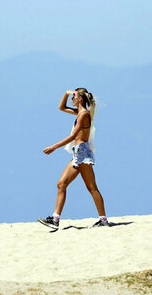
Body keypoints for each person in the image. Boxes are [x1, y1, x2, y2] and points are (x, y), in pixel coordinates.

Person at [38, 88, 109, 230]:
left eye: (74, 97)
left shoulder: (83, 115)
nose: (72, 99)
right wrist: (66, 93)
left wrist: (54, 147)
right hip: (78, 153)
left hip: (82, 153)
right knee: (61, 184)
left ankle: (103, 220)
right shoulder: (80, 113)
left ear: (80, 99)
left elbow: (72, 137)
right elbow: (61, 107)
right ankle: (55, 219)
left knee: (92, 188)